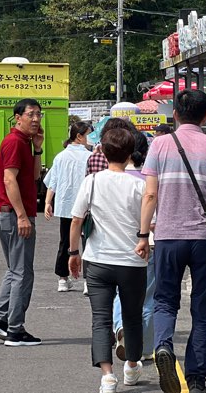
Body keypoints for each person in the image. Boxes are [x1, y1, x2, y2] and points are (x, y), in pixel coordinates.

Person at [137, 89, 206, 393]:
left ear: (175, 114)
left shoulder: (160, 145)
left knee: (165, 300)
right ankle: (196, 379)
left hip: (167, 236)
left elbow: (150, 194)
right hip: (205, 240)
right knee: (202, 309)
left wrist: (143, 234)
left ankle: (164, 346)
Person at [69, 127, 148, 393]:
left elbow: (77, 219)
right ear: (129, 156)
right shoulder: (140, 185)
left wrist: (73, 253)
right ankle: (132, 365)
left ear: (101, 151)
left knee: (101, 318)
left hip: (98, 261)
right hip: (132, 262)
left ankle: (107, 377)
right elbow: (151, 224)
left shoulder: (92, 181)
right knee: (132, 316)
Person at [0, 98, 45, 347]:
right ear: (17, 117)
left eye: (39, 115)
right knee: (22, 273)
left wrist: (38, 149)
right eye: (30, 114)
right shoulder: (14, 142)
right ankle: (15, 329)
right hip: (13, 213)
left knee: (15, 270)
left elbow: (34, 176)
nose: (36, 119)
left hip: (11, 213)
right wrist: (21, 216)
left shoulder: (25, 143)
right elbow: (9, 180)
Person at [111, 129, 154, 362]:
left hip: (116, 247)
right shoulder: (149, 181)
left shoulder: (107, 178)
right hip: (146, 245)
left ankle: (120, 327)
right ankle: (145, 349)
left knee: (120, 292)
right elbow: (155, 219)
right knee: (147, 298)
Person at [44, 120, 93, 292]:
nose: (90, 138)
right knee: (88, 242)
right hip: (86, 205)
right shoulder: (90, 157)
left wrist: (47, 202)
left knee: (65, 241)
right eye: (89, 134)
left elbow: (53, 182)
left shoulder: (60, 156)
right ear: (79, 136)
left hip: (65, 206)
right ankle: (89, 281)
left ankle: (63, 279)